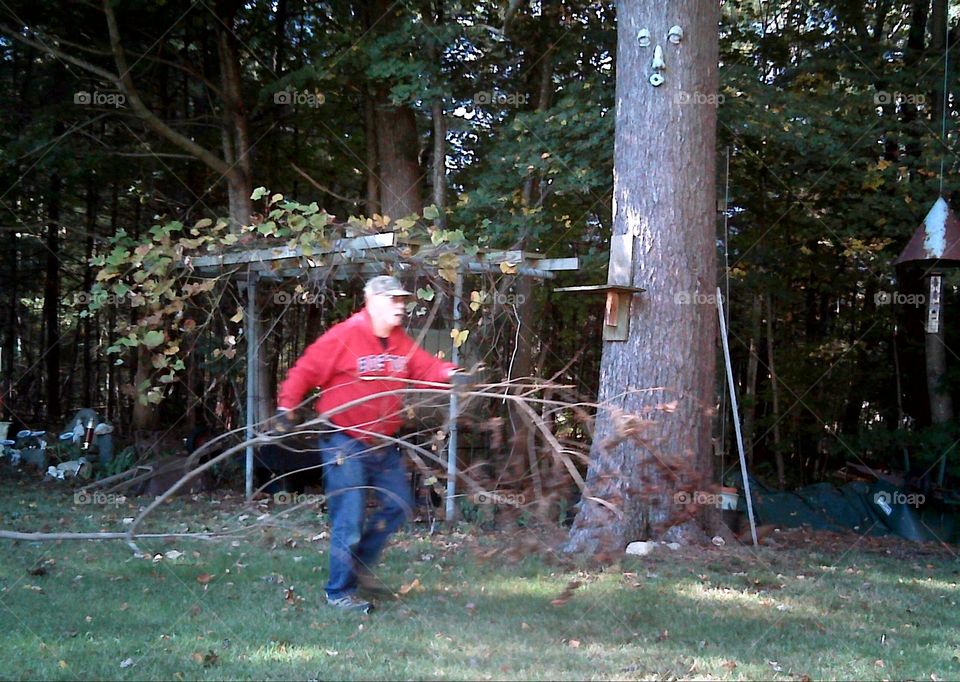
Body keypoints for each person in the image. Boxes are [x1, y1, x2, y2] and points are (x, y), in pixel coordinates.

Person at [273, 275, 463, 613]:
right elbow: (306, 370)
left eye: (402, 300)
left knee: (400, 504)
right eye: (393, 300)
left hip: (381, 442)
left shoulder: (399, 342)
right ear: (372, 302)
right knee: (350, 515)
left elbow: (424, 367)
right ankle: (339, 592)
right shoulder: (344, 336)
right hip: (343, 440)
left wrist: (450, 374)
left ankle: (358, 565)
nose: (401, 306)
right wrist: (287, 406)